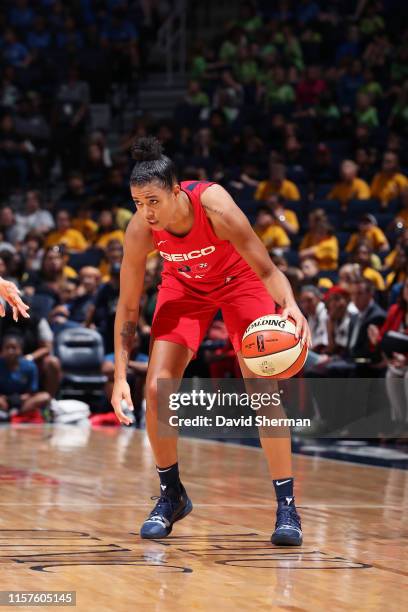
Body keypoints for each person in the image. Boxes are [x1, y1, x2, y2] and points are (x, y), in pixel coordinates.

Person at [111, 137, 311, 546]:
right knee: (155, 388)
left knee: (261, 390)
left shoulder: (215, 206)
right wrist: (118, 377)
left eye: (152, 201)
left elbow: (268, 269)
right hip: (184, 289)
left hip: (240, 283)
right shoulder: (139, 232)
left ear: (176, 191)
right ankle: (172, 495)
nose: (146, 212)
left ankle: (286, 506)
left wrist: (290, 302)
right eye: (137, 203)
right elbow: (128, 309)